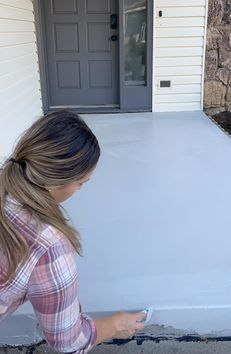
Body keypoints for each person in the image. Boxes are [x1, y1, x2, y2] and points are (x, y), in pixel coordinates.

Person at [0, 110, 145, 353]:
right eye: (81, 183)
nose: (79, 190)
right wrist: (113, 325)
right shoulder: (49, 246)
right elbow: (67, 341)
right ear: (55, 181)